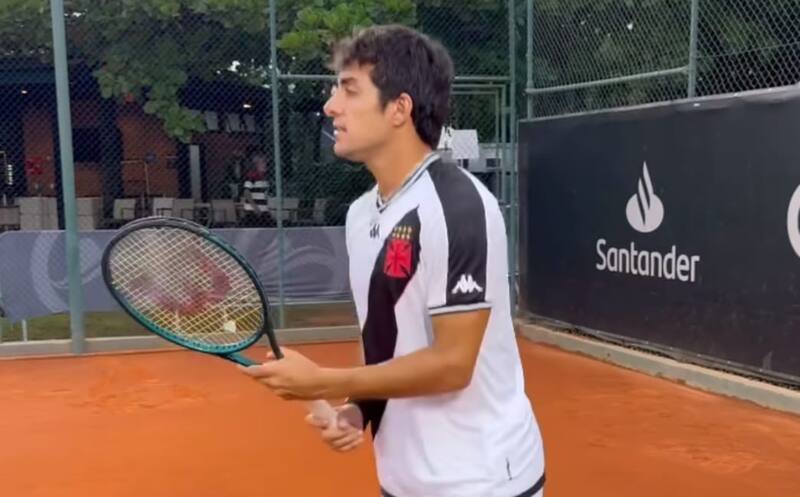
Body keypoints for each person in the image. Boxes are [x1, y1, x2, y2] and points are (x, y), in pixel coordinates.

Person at [240, 24, 546, 497]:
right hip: (402, 479)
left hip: (482, 481)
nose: (330, 107)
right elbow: (381, 333)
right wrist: (358, 407)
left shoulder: (458, 205)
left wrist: (323, 379)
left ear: (399, 108)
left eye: (348, 90)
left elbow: (453, 364)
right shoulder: (362, 215)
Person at [240, 149, 275, 227]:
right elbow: (246, 192)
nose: (265, 165)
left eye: (265, 162)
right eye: (262, 163)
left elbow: (264, 195)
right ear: (256, 165)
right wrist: (255, 207)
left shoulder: (264, 178)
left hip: (263, 210)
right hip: (253, 211)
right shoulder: (252, 176)